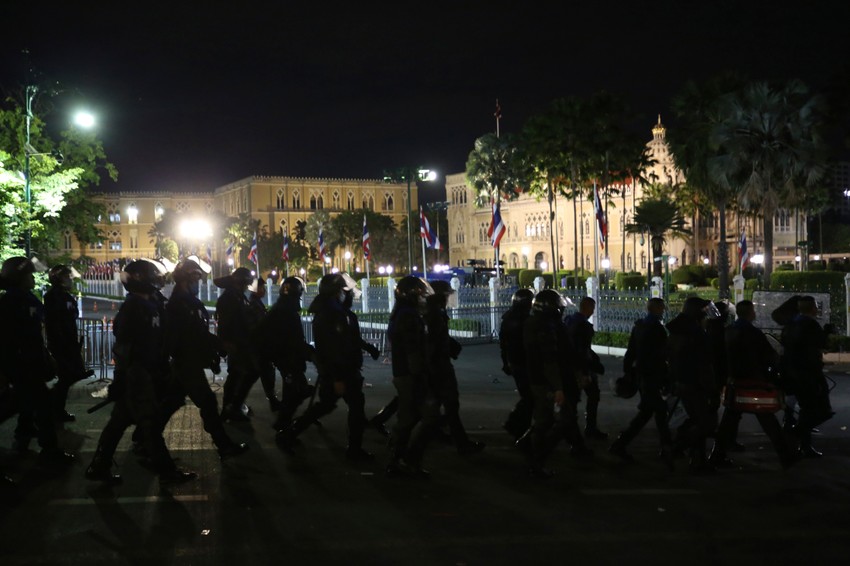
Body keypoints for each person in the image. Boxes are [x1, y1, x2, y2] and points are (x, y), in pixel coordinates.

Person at [85, 259, 196, 485]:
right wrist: (121, 378)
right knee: (150, 425)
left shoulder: (149, 303)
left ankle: (99, 466)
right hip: (137, 375)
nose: (158, 279)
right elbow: (125, 346)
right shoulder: (134, 307)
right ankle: (166, 471)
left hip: (144, 373)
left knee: (119, 422)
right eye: (153, 275)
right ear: (142, 279)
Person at [276, 273, 376, 461]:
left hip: (337, 369)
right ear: (336, 292)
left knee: (327, 405)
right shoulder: (333, 314)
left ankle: (289, 433)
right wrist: (337, 377)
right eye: (342, 291)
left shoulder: (331, 311)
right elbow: (334, 348)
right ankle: (354, 449)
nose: (345, 294)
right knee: (352, 406)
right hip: (341, 370)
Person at [159, 259, 249, 461]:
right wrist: (218, 345)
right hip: (186, 362)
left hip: (188, 362)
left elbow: (199, 332)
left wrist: (218, 347)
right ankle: (223, 445)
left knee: (171, 402)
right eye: (196, 279)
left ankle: (144, 438)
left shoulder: (188, 302)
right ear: (187, 279)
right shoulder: (179, 304)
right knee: (207, 402)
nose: (198, 283)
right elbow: (186, 335)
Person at [0, 257, 74, 470]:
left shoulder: (22, 298)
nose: (33, 278)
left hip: (27, 361)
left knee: (26, 401)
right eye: (29, 275)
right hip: (22, 363)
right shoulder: (13, 302)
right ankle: (49, 450)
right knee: (42, 405)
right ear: (19, 277)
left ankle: (23, 435)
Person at [708, 300, 797, 468]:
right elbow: (769, 356)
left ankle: (717, 455)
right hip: (754, 381)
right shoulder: (753, 333)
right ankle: (785, 456)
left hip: (735, 381)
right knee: (767, 419)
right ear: (751, 313)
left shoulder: (729, 331)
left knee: (729, 420)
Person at [519, 289, 589, 479]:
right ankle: (537, 460)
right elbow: (549, 359)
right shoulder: (545, 328)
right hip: (547, 383)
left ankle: (532, 456)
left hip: (539, 380)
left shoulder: (535, 323)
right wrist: (558, 387)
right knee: (561, 421)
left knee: (545, 421)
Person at [609, 298, 674, 469]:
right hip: (652, 376)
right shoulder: (657, 329)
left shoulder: (639, 326)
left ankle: (665, 447)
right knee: (655, 411)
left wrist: (628, 372)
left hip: (642, 375)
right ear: (657, 309)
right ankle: (665, 448)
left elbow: (631, 351)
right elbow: (661, 356)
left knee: (653, 412)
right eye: (662, 308)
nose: (664, 310)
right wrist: (666, 376)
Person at [385, 276, 440, 478]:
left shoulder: (403, 313)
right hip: (410, 374)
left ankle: (400, 456)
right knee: (425, 417)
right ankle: (404, 459)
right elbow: (412, 349)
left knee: (410, 417)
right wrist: (421, 376)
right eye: (420, 294)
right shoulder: (408, 316)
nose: (423, 298)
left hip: (406, 373)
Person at [424, 280, 484, 455]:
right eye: (445, 296)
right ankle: (460, 443)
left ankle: (439, 435)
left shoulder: (434, 313)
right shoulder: (434, 315)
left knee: (439, 407)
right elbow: (433, 343)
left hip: (437, 366)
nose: (447, 299)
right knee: (449, 405)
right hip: (439, 368)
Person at [666, 296, 718, 474]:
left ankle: (697, 459)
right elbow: (703, 364)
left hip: (683, 381)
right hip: (695, 383)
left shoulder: (680, 329)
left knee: (697, 420)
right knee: (705, 423)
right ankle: (677, 447)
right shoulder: (695, 333)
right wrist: (711, 388)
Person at [780, 296, 834, 457]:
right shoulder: (811, 325)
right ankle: (798, 436)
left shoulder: (790, 325)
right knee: (820, 410)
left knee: (806, 409)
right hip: (809, 374)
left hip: (792, 373)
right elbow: (821, 345)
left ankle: (803, 443)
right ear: (813, 308)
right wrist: (826, 333)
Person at [265, 276, 316, 432]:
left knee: (295, 392)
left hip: (288, 358)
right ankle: (283, 427)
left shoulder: (283, 308)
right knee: (294, 393)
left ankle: (284, 423)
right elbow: (292, 339)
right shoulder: (285, 311)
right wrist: (310, 353)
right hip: (288, 359)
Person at [43, 264, 91, 422]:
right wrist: (62, 343)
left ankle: (56, 409)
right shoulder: (53, 297)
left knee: (68, 378)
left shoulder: (65, 296)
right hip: (61, 345)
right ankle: (54, 409)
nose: (70, 280)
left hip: (68, 343)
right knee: (65, 378)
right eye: (66, 277)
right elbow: (55, 322)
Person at [214, 267, 256, 422]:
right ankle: (230, 408)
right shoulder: (229, 298)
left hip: (242, 342)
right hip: (236, 343)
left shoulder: (237, 296)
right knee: (238, 375)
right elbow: (225, 323)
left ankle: (233, 406)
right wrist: (225, 343)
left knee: (241, 374)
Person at [565, 296, 607, 439]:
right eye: (592, 308)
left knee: (574, 399)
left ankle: (573, 429)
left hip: (569, 366)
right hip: (581, 368)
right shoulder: (583, 326)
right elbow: (583, 350)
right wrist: (586, 371)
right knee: (592, 395)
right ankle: (587, 428)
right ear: (587, 308)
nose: (593, 311)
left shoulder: (569, 320)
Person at [499, 288, 534, 440]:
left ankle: (517, 425)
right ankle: (516, 426)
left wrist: (505, 362)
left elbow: (503, 343)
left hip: (515, 360)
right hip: (522, 361)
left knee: (528, 396)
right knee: (529, 397)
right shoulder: (523, 320)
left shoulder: (509, 317)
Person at [242, 277, 281, 413]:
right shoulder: (254, 304)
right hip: (258, 346)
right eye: (261, 288)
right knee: (259, 373)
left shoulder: (256, 303)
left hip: (258, 346)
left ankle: (272, 400)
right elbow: (259, 325)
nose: (263, 290)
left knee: (262, 373)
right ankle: (237, 403)